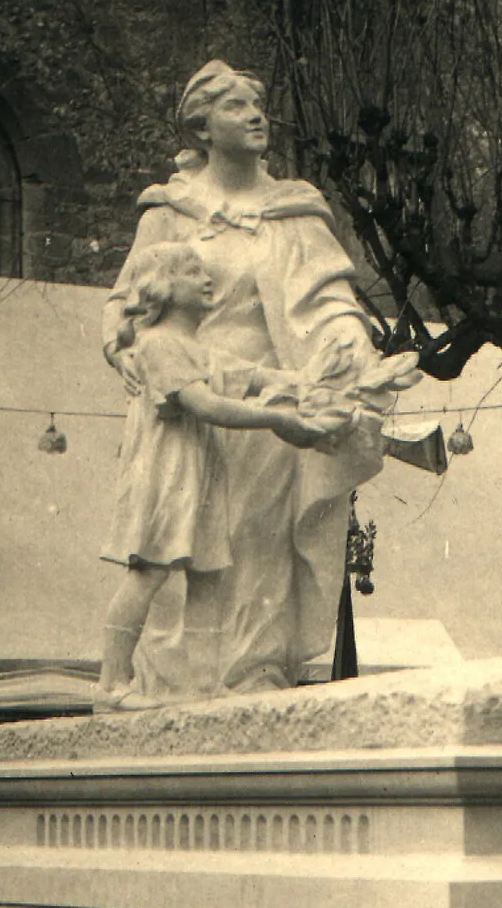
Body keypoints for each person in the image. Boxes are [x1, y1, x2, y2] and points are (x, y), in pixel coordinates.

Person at [104, 60, 416, 698]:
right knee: (182, 540)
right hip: (187, 401)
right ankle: (174, 680)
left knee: (258, 538)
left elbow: (331, 302)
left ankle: (254, 676)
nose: (255, 117)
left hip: (271, 386)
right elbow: (124, 300)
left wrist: (353, 357)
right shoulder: (168, 212)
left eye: (259, 106)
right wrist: (122, 345)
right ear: (202, 127)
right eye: (237, 107)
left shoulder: (294, 209)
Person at [98, 241, 340, 707]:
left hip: (200, 477)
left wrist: (308, 382)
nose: (206, 278)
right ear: (163, 287)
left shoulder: (196, 348)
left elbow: (250, 375)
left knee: (207, 575)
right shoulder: (159, 344)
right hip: (166, 476)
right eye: (191, 271)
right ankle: (111, 684)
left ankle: (204, 684)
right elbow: (205, 404)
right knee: (147, 572)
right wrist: (277, 419)